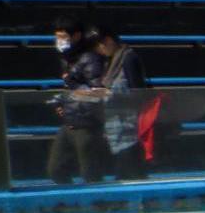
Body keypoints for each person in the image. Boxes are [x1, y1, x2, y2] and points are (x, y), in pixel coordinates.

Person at [49, 20, 106, 184]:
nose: (59, 41)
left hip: (87, 123)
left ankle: (98, 203)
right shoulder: (68, 60)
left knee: (90, 172)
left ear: (76, 36)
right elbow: (70, 90)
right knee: (56, 169)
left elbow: (98, 92)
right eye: (57, 37)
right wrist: (61, 103)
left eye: (63, 37)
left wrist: (72, 84)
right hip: (69, 121)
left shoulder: (90, 59)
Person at [89, 26, 150, 180]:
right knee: (127, 172)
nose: (98, 50)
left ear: (108, 41)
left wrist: (111, 94)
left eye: (99, 45)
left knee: (128, 173)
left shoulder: (128, 58)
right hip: (116, 127)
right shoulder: (110, 62)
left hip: (129, 128)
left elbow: (138, 93)